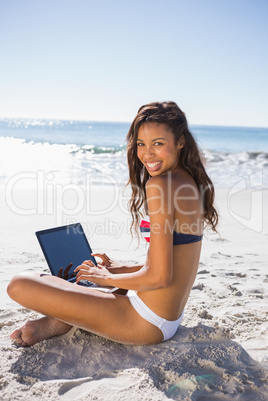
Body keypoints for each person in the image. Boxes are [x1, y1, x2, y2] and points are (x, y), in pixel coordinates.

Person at [7, 101, 218, 347]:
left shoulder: (160, 185)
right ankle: (62, 319)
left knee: (20, 283)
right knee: (77, 278)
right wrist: (122, 268)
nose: (147, 154)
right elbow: (179, 259)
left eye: (157, 144)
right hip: (167, 317)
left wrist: (105, 278)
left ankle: (65, 317)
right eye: (141, 144)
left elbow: (159, 278)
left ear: (180, 141)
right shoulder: (188, 181)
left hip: (145, 320)